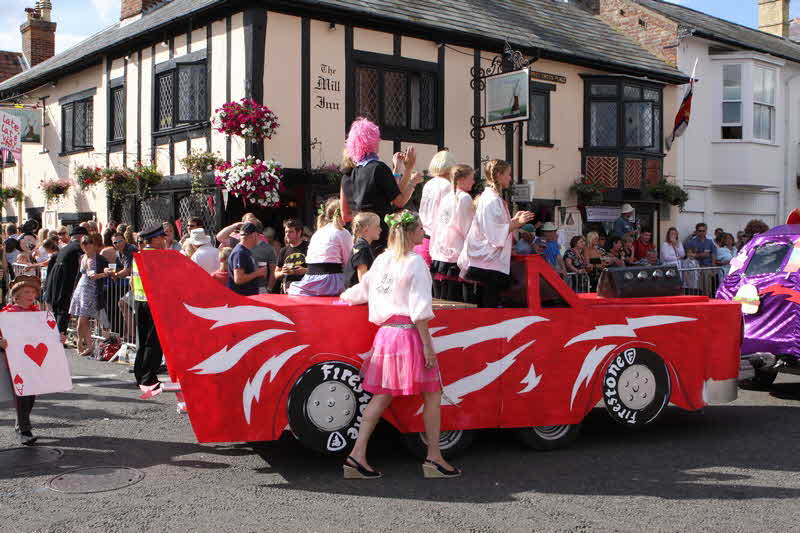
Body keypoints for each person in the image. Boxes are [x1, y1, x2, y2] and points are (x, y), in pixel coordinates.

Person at [340, 210, 460, 479]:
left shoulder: (382, 260)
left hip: (386, 336)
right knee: (432, 393)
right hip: (409, 335)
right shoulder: (416, 262)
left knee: (381, 396)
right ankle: (434, 457)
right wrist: (428, 346)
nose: (423, 233)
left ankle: (357, 456)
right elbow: (419, 310)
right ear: (409, 232)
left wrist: (343, 295)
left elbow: (360, 292)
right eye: (419, 228)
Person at [340, 118, 423, 252]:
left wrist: (399, 170)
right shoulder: (378, 168)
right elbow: (399, 201)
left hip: (359, 238)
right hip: (380, 236)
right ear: (372, 141)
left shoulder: (347, 176)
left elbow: (345, 215)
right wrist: (410, 173)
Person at [459, 160, 535, 308]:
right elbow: (494, 234)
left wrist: (514, 220)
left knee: (486, 306)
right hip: (488, 263)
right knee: (488, 307)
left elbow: (495, 227)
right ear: (499, 175)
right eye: (508, 174)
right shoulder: (492, 200)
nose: (510, 178)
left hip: (488, 262)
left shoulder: (492, 198)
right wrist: (517, 222)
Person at [0, 275, 65, 445]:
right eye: (27, 292)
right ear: (17, 296)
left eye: (34, 292)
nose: (31, 295)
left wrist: (58, 338)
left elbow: (46, 336)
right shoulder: (7, 314)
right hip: (15, 361)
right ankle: (24, 429)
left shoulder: (38, 313)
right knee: (22, 394)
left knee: (31, 394)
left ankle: (21, 424)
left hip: (34, 361)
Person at [288, 198, 352, 297]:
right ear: (341, 213)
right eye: (348, 212)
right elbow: (348, 261)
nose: (350, 216)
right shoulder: (342, 232)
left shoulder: (318, 232)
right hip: (331, 281)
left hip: (310, 279)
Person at [430, 164, 476, 301]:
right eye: (471, 178)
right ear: (462, 179)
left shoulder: (447, 197)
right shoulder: (464, 198)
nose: (473, 182)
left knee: (440, 298)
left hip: (440, 253)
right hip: (456, 254)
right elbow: (467, 229)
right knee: (454, 299)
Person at [131, 225, 169, 391]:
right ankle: (149, 380)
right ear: (153, 239)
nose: (164, 239)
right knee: (153, 342)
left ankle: (140, 375)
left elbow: (133, 280)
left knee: (143, 340)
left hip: (139, 301)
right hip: (154, 302)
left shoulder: (138, 255)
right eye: (161, 237)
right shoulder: (158, 256)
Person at [415, 149, 458, 267]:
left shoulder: (429, 184)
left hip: (423, 235)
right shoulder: (447, 186)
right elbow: (447, 215)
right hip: (437, 239)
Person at [69, 235, 110, 357]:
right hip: (81, 288)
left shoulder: (100, 258)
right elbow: (78, 274)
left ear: (94, 244)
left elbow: (109, 271)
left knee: (83, 318)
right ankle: (88, 345)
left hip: (92, 290)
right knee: (82, 319)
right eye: (84, 243)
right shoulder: (82, 257)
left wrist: (100, 275)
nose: (87, 245)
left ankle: (81, 344)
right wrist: (74, 290)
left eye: (89, 243)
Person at [44, 226, 88, 335]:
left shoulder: (66, 248)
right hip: (65, 279)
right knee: (63, 309)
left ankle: (56, 336)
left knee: (58, 309)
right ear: (82, 236)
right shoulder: (79, 248)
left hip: (56, 279)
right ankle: (59, 337)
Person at [227, 223, 268, 297]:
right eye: (258, 235)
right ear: (254, 235)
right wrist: (257, 273)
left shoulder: (245, 251)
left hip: (246, 298)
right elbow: (238, 279)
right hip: (241, 299)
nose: (259, 239)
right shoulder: (240, 253)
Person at [344, 212, 380, 288]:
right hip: (355, 293)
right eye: (377, 227)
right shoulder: (362, 247)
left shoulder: (363, 245)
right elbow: (362, 278)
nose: (380, 229)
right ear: (366, 229)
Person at [275, 219, 309, 294]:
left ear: (299, 232)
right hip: (288, 291)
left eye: (291, 232)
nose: (287, 234)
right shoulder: (283, 250)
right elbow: (276, 273)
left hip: (305, 291)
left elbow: (319, 270)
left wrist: (304, 270)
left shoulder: (309, 247)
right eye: (286, 232)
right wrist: (282, 273)